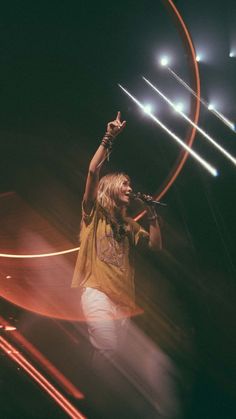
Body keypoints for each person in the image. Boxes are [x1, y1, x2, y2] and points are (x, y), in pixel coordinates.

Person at [71, 111, 162, 359]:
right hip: (98, 293)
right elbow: (92, 172)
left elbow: (155, 246)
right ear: (110, 188)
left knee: (115, 360)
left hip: (123, 303)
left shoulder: (130, 225)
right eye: (124, 184)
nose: (130, 188)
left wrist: (152, 215)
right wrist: (108, 137)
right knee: (107, 348)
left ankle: (99, 393)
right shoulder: (94, 214)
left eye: (130, 185)